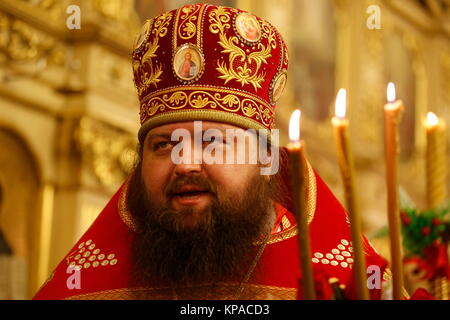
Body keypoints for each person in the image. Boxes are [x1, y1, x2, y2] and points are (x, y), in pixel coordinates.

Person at [33, 4, 389, 300]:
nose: (185, 163)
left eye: (212, 142)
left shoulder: (339, 280)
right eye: (165, 145)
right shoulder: (87, 284)